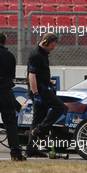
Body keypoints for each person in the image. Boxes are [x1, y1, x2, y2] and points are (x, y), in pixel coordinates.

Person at [26, 33, 68, 157]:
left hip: (43, 88)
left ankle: (31, 149)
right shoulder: (36, 55)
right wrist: (36, 93)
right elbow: (31, 75)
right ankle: (39, 130)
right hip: (40, 91)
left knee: (38, 118)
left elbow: (39, 73)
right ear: (46, 42)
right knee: (61, 107)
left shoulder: (43, 54)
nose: (53, 48)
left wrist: (48, 81)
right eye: (52, 45)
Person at [0, 33, 26, 161]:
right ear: (4, 42)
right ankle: (15, 153)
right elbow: (11, 76)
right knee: (10, 124)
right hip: (5, 92)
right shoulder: (10, 56)